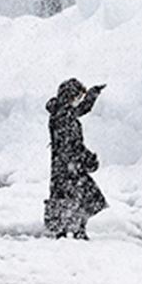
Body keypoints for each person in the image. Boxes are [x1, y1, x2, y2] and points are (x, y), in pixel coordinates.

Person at [44, 78, 107, 240]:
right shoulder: (65, 117)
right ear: (70, 97)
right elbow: (72, 145)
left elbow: (81, 110)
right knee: (84, 198)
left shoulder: (61, 111)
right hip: (70, 167)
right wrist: (87, 159)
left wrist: (92, 95)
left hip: (63, 167)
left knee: (69, 199)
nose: (78, 101)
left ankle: (68, 231)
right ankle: (74, 231)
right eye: (77, 97)